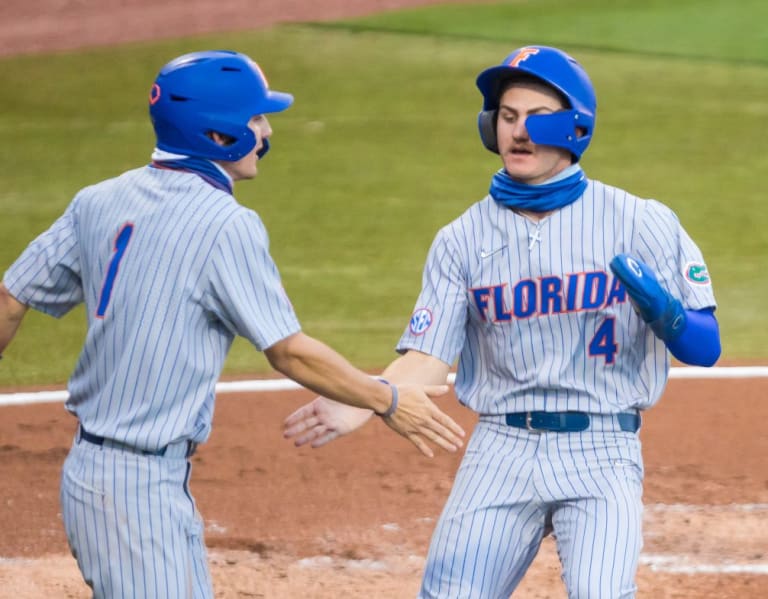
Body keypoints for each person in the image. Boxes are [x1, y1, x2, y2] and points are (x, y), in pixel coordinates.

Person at [0, 50, 465, 598]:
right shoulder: (226, 225)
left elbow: (10, 300)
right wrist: (383, 398)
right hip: (136, 492)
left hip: (92, 473)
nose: (266, 132)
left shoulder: (97, 200)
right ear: (219, 137)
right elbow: (288, 351)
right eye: (256, 120)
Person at [283, 45, 721, 598]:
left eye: (538, 119)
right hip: (500, 449)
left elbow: (705, 347)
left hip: (603, 449)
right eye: (508, 118)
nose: (519, 132)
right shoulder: (461, 239)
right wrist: (362, 398)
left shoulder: (639, 221)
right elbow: (428, 358)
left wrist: (665, 311)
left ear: (575, 128)